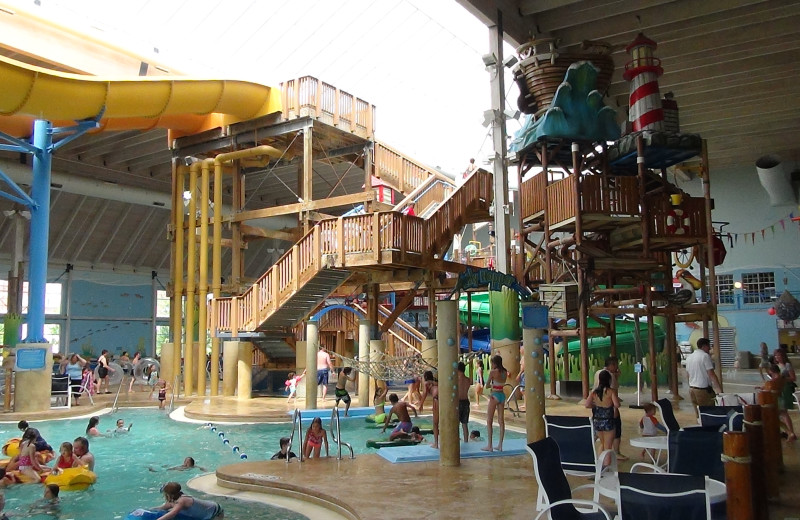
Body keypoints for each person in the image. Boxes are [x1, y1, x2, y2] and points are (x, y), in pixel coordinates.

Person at [593, 356, 627, 460]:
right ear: (611, 365)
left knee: (601, 438)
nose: (616, 367)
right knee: (615, 432)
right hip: (609, 410)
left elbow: (588, 403)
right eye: (616, 365)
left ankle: (597, 458)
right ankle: (614, 454)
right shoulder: (610, 375)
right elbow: (614, 391)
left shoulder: (597, 372)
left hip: (597, 409)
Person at [585, 370, 620, 467]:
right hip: (608, 421)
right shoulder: (611, 391)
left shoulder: (594, 392)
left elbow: (587, 404)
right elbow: (617, 404)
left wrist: (596, 406)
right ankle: (605, 468)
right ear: (609, 380)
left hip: (597, 421)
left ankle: (599, 466)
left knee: (602, 444)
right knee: (608, 447)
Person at [686, 337, 722, 416]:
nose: (709, 348)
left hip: (692, 389)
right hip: (702, 390)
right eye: (709, 346)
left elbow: (688, 374)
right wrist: (719, 390)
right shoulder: (705, 356)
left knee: (698, 414)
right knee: (708, 413)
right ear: (704, 346)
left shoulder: (689, 357)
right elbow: (711, 374)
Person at [761, 363, 797, 441]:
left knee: (774, 418)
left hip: (778, 400)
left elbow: (769, 388)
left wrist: (763, 388)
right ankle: (789, 432)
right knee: (780, 416)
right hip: (781, 398)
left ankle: (788, 433)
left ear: (771, 371)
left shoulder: (774, 380)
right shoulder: (782, 378)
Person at [151, 481, 224, 519]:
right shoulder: (173, 500)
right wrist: (147, 510)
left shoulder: (182, 500)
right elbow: (161, 508)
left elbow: (172, 513)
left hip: (216, 513)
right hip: (209, 511)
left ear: (170, 494)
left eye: (165, 494)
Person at [483, 355, 507, 452]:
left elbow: (487, 385)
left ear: (495, 363)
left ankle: (490, 445)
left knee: (489, 420)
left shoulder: (493, 372)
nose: (491, 364)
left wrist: (491, 385)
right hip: (502, 395)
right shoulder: (505, 372)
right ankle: (500, 445)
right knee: (501, 421)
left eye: (492, 363)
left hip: (494, 395)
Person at [419, 370, 440, 449]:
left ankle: (436, 444)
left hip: (437, 400)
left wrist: (421, 404)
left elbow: (424, 394)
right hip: (443, 399)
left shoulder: (426, 383)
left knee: (435, 423)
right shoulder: (435, 382)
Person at [456, 361, 472, 442]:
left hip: (458, 402)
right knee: (465, 424)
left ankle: (456, 440)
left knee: (456, 424)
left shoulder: (456, 380)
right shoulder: (468, 380)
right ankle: (466, 441)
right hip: (466, 401)